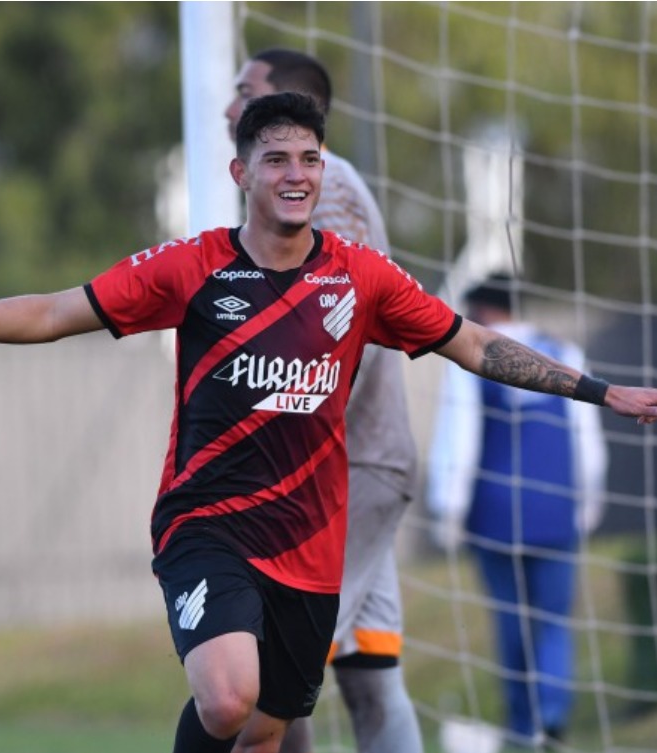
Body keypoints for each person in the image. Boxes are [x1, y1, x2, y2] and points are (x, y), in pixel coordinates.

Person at [0, 91, 657, 753]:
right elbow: (54, 310)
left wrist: (600, 392)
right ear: (242, 174)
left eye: (308, 157)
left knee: (264, 729)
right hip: (207, 526)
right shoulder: (188, 268)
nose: (296, 173)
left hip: (308, 546)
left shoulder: (361, 278)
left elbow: (472, 344)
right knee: (225, 697)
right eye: (276, 159)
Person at [222, 49, 423, 753]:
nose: (227, 106)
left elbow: (350, 327)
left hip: (341, 470)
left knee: (271, 673)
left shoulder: (324, 187)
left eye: (244, 92)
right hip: (356, 463)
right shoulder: (302, 186)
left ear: (288, 107)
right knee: (369, 677)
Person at [427, 274, 609, 748]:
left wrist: (447, 509)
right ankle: (551, 717)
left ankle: (523, 722)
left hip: (496, 512)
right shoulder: (565, 354)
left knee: (511, 621)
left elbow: (459, 439)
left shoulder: (470, 359)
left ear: (482, 313)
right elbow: (586, 438)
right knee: (552, 620)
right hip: (556, 507)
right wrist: (589, 500)